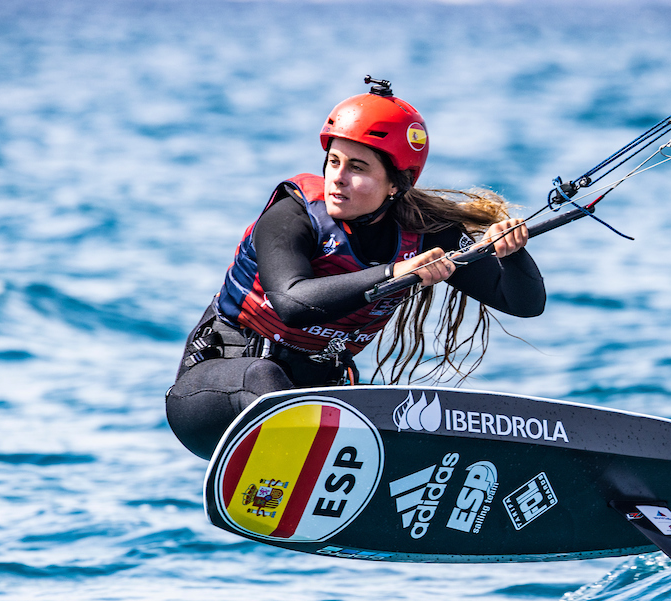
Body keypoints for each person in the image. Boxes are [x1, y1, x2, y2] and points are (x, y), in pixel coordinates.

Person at [166, 78, 546, 459]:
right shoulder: (293, 215)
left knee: (403, 426)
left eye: (357, 167)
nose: (338, 178)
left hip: (312, 408)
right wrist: (394, 273)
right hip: (216, 397)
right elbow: (291, 303)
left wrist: (512, 252)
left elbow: (523, 303)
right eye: (334, 162)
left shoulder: (424, 234)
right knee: (266, 381)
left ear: (396, 184)